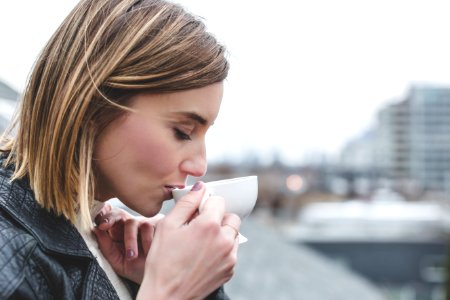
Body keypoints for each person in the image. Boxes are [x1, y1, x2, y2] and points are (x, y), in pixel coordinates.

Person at [0, 0, 241, 299]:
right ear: (92, 106)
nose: (199, 165)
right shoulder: (10, 260)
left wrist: (171, 279)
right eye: (183, 132)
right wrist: (170, 291)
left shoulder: (109, 243)